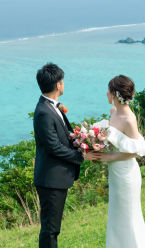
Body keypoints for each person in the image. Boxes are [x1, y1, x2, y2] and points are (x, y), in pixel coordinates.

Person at [33, 62, 101, 248]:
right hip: (50, 179)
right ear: (58, 85)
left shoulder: (52, 107)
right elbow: (53, 146)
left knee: (53, 228)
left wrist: (84, 144)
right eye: (62, 81)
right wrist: (81, 157)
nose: (63, 84)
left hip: (56, 178)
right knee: (50, 229)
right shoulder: (43, 112)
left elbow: (64, 138)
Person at [95, 75, 145, 248]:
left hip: (126, 175)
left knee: (129, 217)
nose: (106, 94)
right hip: (115, 174)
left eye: (108, 91)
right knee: (117, 217)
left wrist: (109, 157)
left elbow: (135, 151)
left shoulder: (129, 119)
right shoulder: (114, 112)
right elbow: (117, 141)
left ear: (113, 94)